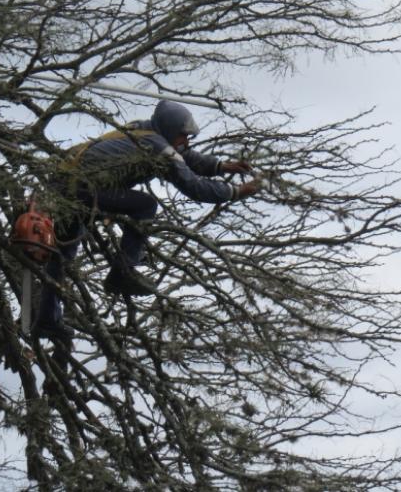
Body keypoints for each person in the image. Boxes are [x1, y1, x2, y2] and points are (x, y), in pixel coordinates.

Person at [33, 100, 260, 342]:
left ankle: (47, 320)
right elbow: (195, 187)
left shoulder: (143, 129)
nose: (186, 141)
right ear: (171, 130)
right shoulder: (157, 146)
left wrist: (221, 166)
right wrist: (236, 192)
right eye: (183, 136)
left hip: (65, 184)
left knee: (61, 257)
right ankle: (123, 271)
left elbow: (184, 156)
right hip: (82, 190)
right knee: (145, 205)